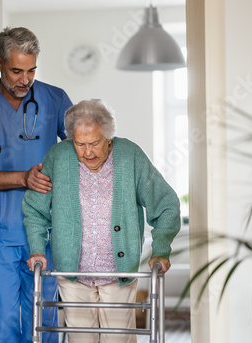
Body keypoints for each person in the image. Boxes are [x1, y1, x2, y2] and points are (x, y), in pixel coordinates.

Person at [23, 99, 181, 343]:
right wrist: (36, 248)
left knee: (118, 339)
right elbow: (35, 208)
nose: (87, 152)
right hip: (72, 272)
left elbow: (166, 204)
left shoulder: (130, 156)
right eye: (80, 144)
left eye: (94, 143)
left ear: (109, 138)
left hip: (119, 272)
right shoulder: (59, 156)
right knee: (80, 339)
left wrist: (161, 250)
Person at [0, 27, 73, 343]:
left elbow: (82, 153)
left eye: (31, 71)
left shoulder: (55, 99)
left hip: (46, 230)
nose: (24, 80)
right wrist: (22, 178)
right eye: (16, 71)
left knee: (44, 323)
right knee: (2, 325)